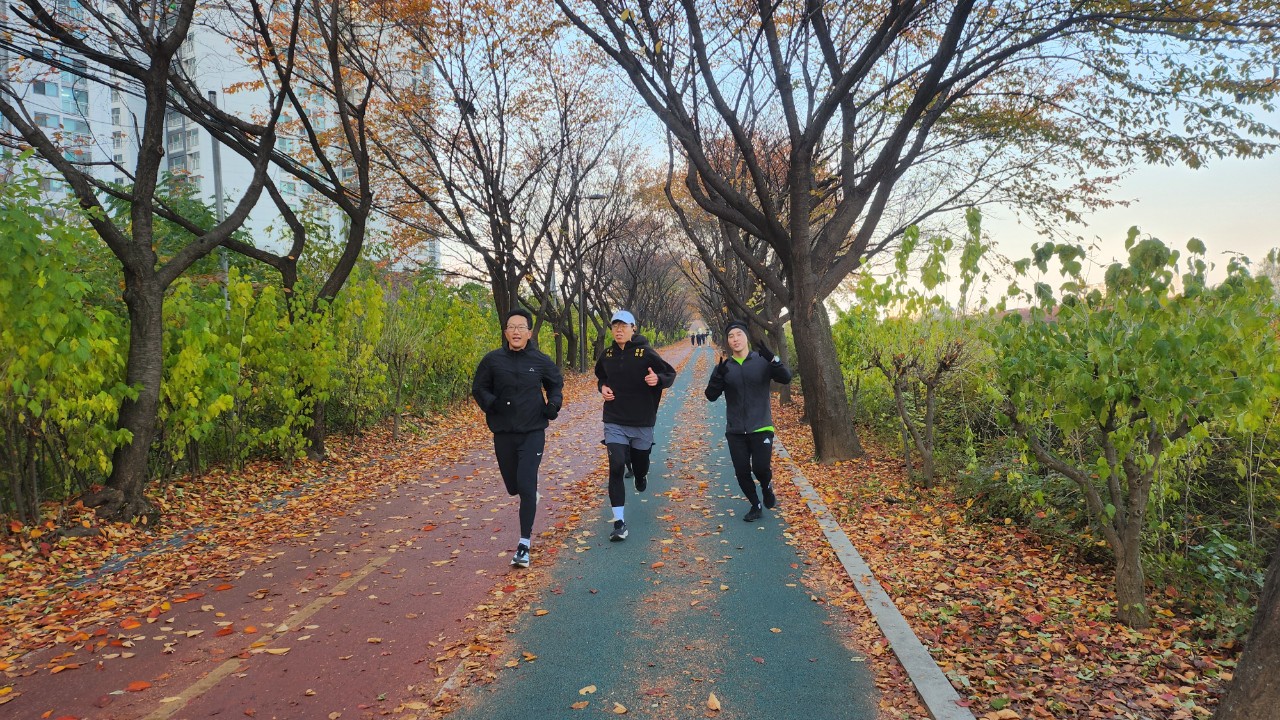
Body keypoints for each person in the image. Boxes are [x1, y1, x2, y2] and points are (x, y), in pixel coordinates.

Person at [472, 308, 564, 568]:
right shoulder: (492, 360)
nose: (515, 331)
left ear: (529, 333)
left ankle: (524, 545)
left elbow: (556, 384)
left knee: (525, 484)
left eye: (521, 327)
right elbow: (479, 387)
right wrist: (492, 403)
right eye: (511, 327)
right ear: (505, 332)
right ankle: (528, 494)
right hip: (503, 432)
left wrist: (553, 404)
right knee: (514, 487)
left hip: (532, 431)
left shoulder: (540, 360)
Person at [594, 310, 677, 541]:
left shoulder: (646, 353)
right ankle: (619, 523)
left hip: (641, 419)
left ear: (633, 329)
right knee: (616, 466)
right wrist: (602, 387)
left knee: (640, 466)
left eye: (624, 326)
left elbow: (669, 373)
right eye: (615, 326)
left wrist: (657, 380)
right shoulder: (607, 354)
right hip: (614, 418)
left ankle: (641, 476)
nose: (619, 330)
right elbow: (601, 376)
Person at [704, 321, 792, 522]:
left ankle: (766, 487)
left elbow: (786, 378)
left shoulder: (762, 361)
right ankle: (755, 504)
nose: (735, 339)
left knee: (761, 468)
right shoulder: (725, 367)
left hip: (761, 425)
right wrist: (717, 377)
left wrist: (774, 359)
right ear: (728, 341)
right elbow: (710, 396)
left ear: (746, 337)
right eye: (731, 336)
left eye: (739, 334)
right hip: (735, 430)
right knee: (742, 472)